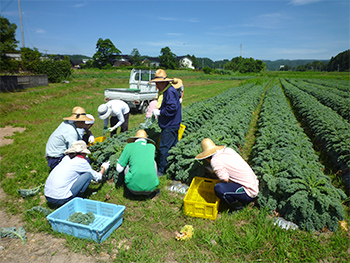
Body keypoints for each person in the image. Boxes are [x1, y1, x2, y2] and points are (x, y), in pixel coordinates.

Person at [195, 138, 259, 209]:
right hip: (254, 184)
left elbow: (225, 179)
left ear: (206, 158)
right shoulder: (228, 150)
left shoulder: (215, 160)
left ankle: (238, 207)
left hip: (248, 192)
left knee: (219, 188)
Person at [44, 140, 110, 207]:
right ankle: (77, 198)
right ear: (83, 153)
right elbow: (97, 177)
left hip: (48, 195)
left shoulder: (66, 158)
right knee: (88, 175)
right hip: (61, 198)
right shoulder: (81, 162)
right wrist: (104, 168)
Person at [150, 69, 182, 177]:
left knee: (164, 147)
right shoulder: (167, 90)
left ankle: (161, 171)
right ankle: (172, 168)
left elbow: (172, 108)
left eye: (157, 83)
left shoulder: (169, 92)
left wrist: (160, 112)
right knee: (173, 147)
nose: (156, 86)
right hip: (172, 123)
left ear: (163, 82)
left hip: (170, 125)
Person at [116, 129, 160, 198]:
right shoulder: (152, 147)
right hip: (151, 189)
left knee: (127, 165)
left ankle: (130, 188)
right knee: (153, 162)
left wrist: (120, 161)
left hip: (133, 189)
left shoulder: (129, 146)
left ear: (135, 139)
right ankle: (150, 184)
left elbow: (119, 169)